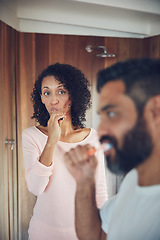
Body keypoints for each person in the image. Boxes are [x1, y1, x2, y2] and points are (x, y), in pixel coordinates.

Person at [64, 58, 160, 240]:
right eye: (102, 116)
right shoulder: (134, 179)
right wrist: (84, 182)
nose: (101, 130)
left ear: (155, 111)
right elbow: (97, 236)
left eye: (112, 114)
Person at [22, 63, 108, 240]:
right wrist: (52, 140)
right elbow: (36, 187)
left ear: (73, 95)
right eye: (47, 92)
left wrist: (102, 229)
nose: (53, 100)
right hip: (42, 232)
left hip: (82, 232)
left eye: (61, 91)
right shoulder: (32, 136)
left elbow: (99, 191)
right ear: (42, 98)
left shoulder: (92, 138)